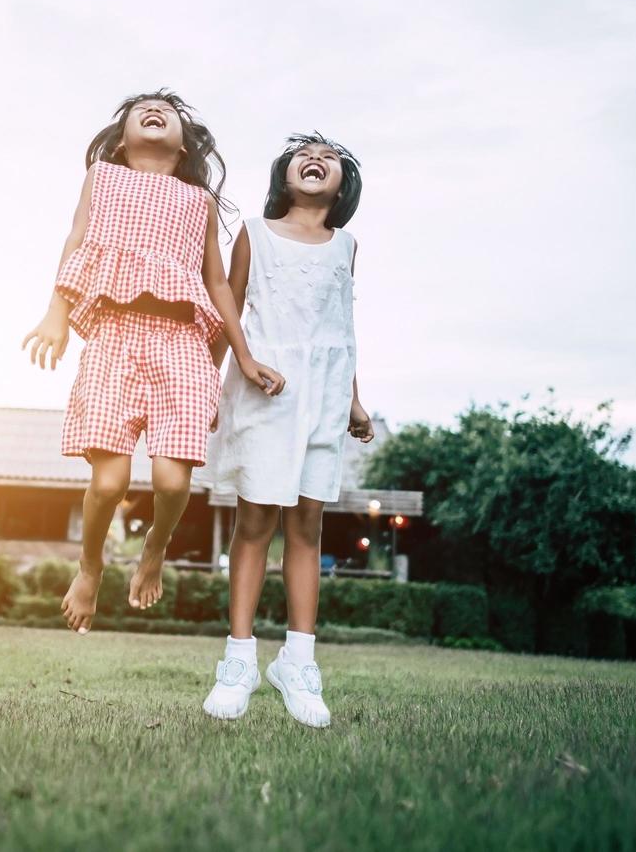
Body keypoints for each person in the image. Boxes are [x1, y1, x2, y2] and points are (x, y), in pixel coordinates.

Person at [22, 90, 285, 635]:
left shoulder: (198, 202)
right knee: (108, 483)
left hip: (182, 344)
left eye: (166, 112)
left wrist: (243, 355)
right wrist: (55, 312)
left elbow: (217, 283)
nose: (153, 109)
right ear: (122, 138)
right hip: (114, 336)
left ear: (184, 143)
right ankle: (90, 567)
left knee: (170, 482)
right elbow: (76, 240)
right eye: (139, 108)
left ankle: (155, 547)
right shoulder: (104, 178)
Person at [202, 133, 373, 727]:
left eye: (328, 155)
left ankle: (298, 663)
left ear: (342, 183)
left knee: (307, 524)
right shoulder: (255, 231)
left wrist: (353, 398)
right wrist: (225, 372)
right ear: (285, 173)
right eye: (303, 151)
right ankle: (239, 660)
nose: (314, 157)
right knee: (255, 522)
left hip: (324, 394)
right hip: (266, 384)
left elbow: (343, 325)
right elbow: (230, 304)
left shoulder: (346, 246)